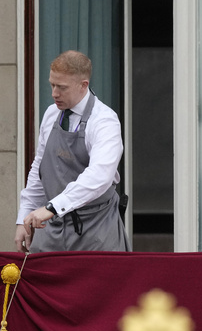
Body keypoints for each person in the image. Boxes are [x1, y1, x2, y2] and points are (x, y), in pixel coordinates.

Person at [15, 50, 129, 253]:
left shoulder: (104, 120)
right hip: (51, 228)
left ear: (83, 85)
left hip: (96, 231)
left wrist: (51, 208)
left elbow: (99, 176)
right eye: (52, 85)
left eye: (62, 87)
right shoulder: (51, 114)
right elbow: (40, 169)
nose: (54, 93)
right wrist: (24, 214)